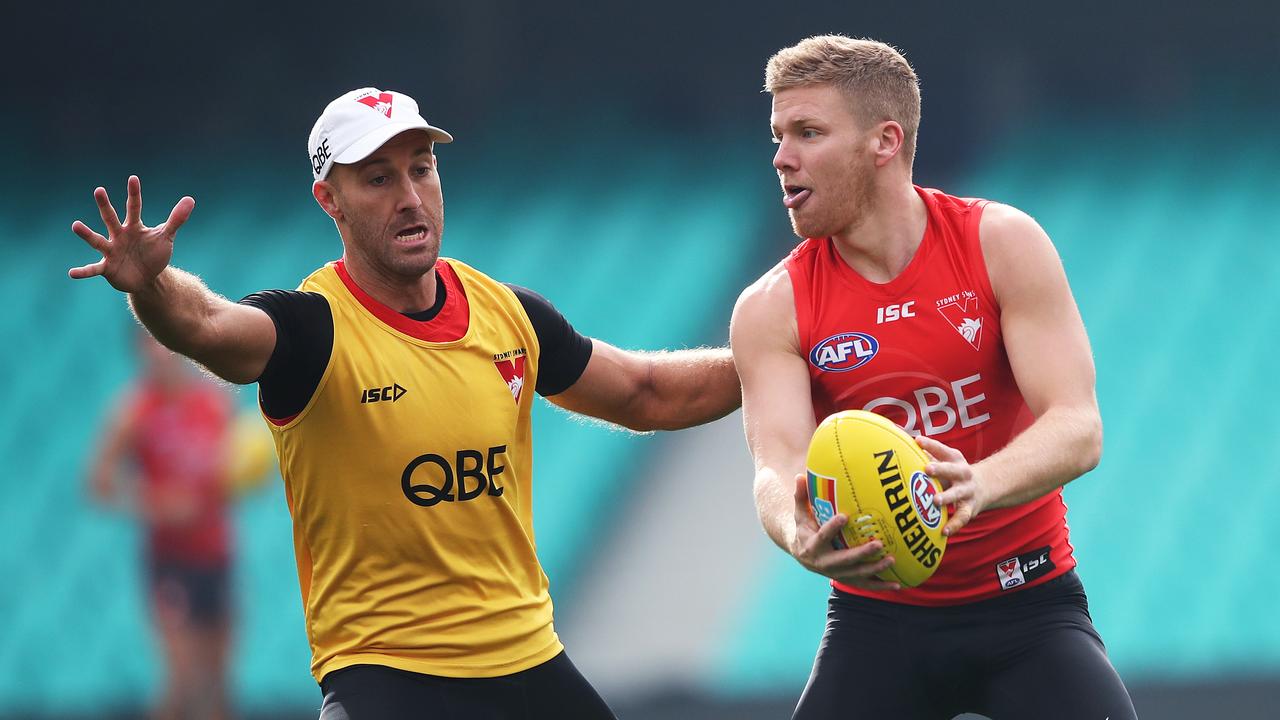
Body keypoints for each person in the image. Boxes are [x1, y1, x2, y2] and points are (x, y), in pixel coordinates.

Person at [69, 87, 740, 719]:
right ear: (329, 200)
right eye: (379, 178)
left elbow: (647, 393)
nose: (411, 196)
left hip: (529, 662)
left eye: (421, 169)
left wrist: (791, 359)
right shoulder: (310, 330)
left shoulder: (508, 315)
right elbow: (208, 326)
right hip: (389, 675)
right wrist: (151, 285)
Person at [730, 36, 1137, 720]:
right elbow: (776, 466)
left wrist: (980, 484)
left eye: (807, 132)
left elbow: (1079, 427)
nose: (781, 157)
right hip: (877, 624)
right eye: (777, 135)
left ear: (884, 142)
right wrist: (795, 528)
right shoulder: (771, 307)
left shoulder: (1000, 242)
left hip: (1028, 609)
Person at [89, 333, 237, 720]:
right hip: (170, 560)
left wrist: (237, 482)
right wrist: (157, 503)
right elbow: (98, 483)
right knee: (183, 679)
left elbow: (231, 476)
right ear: (140, 354)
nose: (162, 355)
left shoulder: (215, 402)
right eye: (150, 347)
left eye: (166, 344)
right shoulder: (134, 410)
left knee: (219, 682)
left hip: (217, 552)